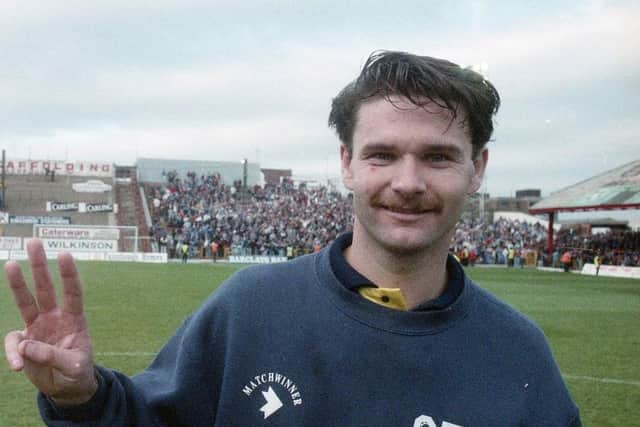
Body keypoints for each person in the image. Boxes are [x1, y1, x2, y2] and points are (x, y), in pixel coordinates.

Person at [4, 51, 581, 426]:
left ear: (476, 169)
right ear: (347, 163)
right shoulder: (249, 307)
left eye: (437, 157)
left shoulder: (518, 352)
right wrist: (82, 398)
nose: (407, 182)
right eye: (383, 154)